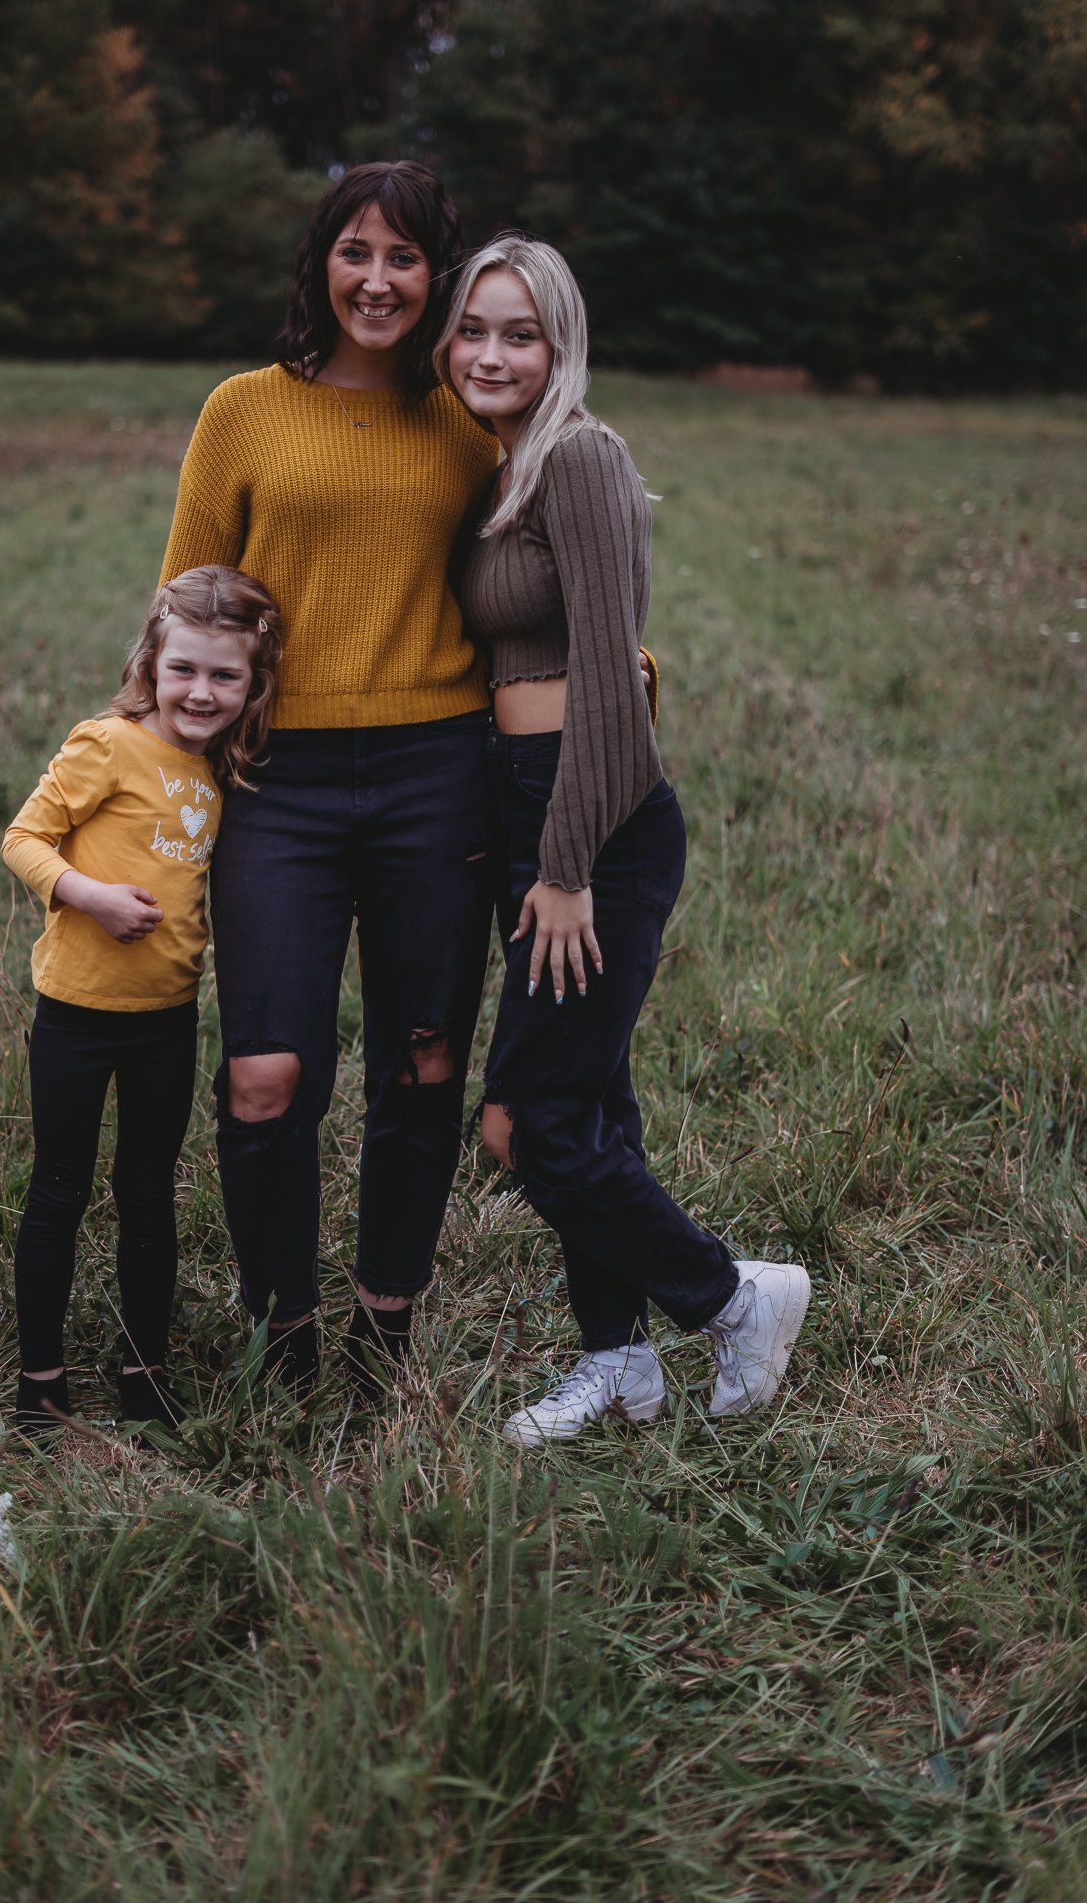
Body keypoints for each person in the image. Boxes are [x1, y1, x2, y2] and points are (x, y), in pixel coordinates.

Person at [438, 235, 810, 1442]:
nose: (491, 352)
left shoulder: (581, 456)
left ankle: (735, 1297)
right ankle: (621, 1364)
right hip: (526, 801)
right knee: (589, 1105)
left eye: (521, 332)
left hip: (597, 819)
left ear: (562, 345)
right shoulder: (497, 470)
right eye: (473, 328)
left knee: (530, 1122)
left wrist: (565, 865)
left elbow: (609, 669)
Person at [155, 160, 508, 1395]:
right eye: (356, 250)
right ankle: (285, 1333)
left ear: (437, 276)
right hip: (277, 779)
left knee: (424, 1063)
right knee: (267, 1073)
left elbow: (546, 579)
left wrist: (619, 669)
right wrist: (136, 764)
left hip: (437, 769)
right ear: (322, 263)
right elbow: (183, 605)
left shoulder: (473, 419)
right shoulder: (243, 410)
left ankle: (384, 1325)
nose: (378, 278)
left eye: (404, 256)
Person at [1, 566, 282, 1435]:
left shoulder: (222, 769)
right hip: (76, 1016)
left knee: (148, 1193)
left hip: (167, 1021)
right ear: (151, 665)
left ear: (252, 684)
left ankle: (144, 1375)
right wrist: (90, 896)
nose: (201, 692)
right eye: (183, 670)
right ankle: (41, 1382)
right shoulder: (107, 745)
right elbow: (23, 838)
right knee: (60, 1189)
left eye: (225, 676)